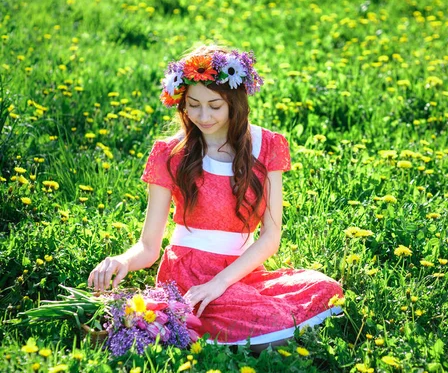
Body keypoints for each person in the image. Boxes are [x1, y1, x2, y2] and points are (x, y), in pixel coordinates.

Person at [87, 44, 344, 352]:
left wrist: (221, 282)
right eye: (193, 105)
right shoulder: (170, 153)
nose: (204, 116)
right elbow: (149, 246)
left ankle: (194, 331)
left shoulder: (267, 146)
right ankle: (189, 328)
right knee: (257, 321)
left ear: (235, 102)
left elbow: (270, 236)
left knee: (326, 290)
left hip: (241, 272)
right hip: (187, 275)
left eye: (215, 105)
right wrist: (122, 261)